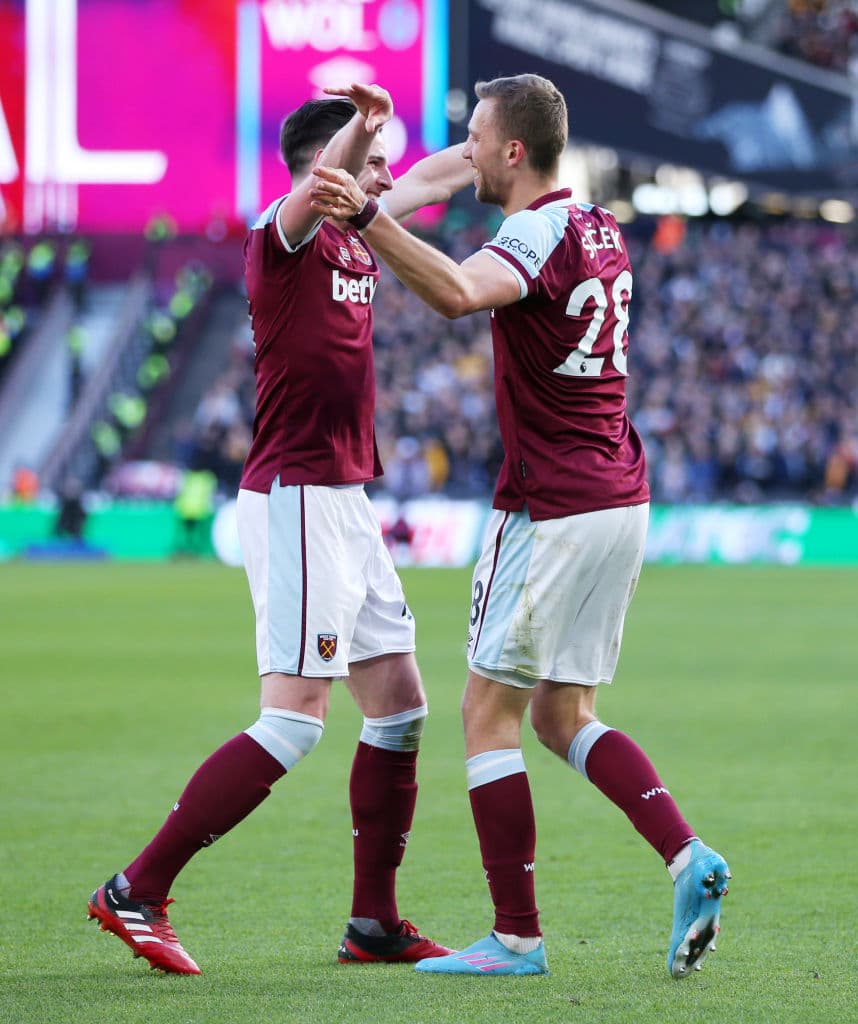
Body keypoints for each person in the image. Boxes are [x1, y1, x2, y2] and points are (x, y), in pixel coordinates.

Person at [309, 73, 731, 979]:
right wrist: (383, 173)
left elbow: (461, 294)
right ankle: (688, 855)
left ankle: (516, 938)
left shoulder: (531, 232)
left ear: (512, 152)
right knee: (562, 712)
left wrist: (367, 224)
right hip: (621, 493)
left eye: (475, 138)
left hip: (551, 506)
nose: (463, 150)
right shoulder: (600, 226)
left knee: (485, 712)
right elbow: (441, 177)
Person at [87, 82, 472, 974]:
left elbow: (443, 172)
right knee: (295, 721)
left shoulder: (355, 222)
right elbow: (321, 187)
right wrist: (359, 133)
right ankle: (136, 891)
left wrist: (517, 133)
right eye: (368, 159)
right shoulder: (283, 231)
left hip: (345, 498)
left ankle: (372, 923)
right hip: (295, 494)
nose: (383, 174)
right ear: (321, 166)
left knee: (401, 710)